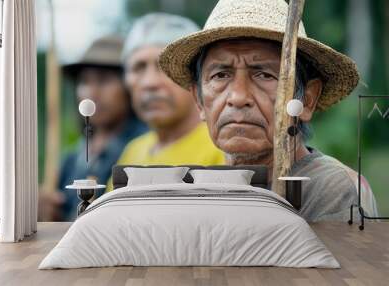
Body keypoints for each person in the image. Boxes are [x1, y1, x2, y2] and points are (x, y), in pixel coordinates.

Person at [158, 0, 378, 221]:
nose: (238, 97)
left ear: (307, 100)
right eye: (220, 75)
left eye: (264, 75)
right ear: (198, 100)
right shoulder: (208, 189)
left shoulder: (332, 189)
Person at [106, 13, 225, 192]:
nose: (150, 83)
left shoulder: (222, 148)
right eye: (138, 67)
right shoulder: (133, 151)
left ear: (195, 77)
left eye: (163, 66)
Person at [39, 35, 147, 221]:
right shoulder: (71, 160)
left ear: (129, 86)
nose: (91, 93)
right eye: (84, 82)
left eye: (104, 80)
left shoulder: (144, 148)